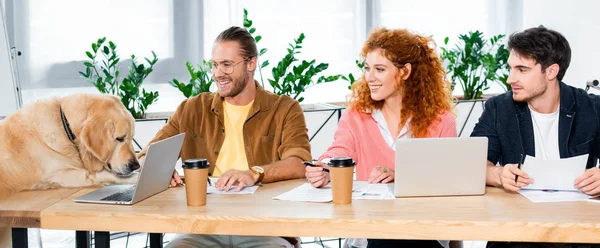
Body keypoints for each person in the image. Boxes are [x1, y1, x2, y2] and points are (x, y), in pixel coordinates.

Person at [137, 26, 311, 248]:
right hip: (202, 227)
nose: (218, 73)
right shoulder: (192, 108)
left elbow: (299, 162)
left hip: (265, 226)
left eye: (227, 64)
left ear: (251, 64)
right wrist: (157, 169)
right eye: (215, 64)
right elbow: (145, 155)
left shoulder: (285, 108)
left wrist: (254, 173)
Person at [305, 28, 457, 248]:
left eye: (380, 69)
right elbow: (340, 149)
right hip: (368, 233)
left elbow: (450, 180)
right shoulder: (357, 114)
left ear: (405, 72)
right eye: (367, 68)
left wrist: (401, 176)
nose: (369, 77)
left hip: (422, 233)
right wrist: (325, 167)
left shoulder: (441, 120)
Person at [471, 26, 600, 248]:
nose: (511, 78)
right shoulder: (498, 108)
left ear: (551, 71)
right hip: (520, 230)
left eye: (522, 69)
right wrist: (499, 174)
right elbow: (472, 163)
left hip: (580, 229)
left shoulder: (592, 108)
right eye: (511, 68)